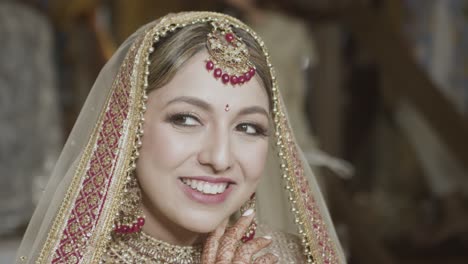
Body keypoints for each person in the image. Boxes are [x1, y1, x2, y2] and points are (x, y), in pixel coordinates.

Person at [16, 12, 345, 263]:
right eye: (186, 119)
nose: (219, 158)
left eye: (248, 127)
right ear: (128, 127)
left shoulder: (296, 257)